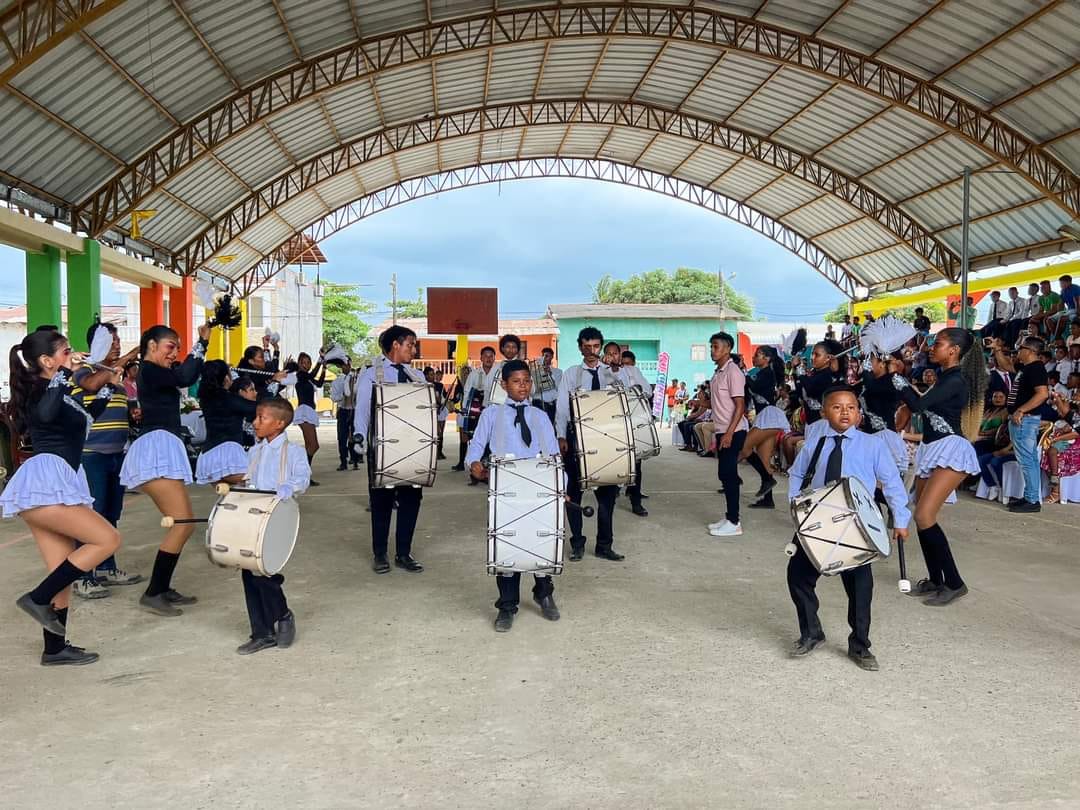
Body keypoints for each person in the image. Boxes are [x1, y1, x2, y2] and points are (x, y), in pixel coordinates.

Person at [2, 328, 123, 666]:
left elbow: (83, 420)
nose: (74, 354)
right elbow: (43, 415)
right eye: (66, 351)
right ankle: (37, 598)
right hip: (46, 479)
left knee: (62, 570)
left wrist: (110, 386)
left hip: (55, 481)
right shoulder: (41, 390)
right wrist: (64, 373)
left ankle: (54, 649)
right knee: (107, 539)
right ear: (46, 360)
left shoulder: (59, 391)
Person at [786, 386, 910, 671]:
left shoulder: (873, 445)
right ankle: (811, 632)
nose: (845, 412)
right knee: (798, 576)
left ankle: (860, 645)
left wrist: (901, 520)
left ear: (859, 414)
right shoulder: (815, 443)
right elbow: (796, 474)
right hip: (818, 521)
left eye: (851, 407)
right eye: (837, 407)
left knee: (860, 588)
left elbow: (892, 483)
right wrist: (795, 505)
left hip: (857, 525)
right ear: (824, 412)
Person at [120, 322, 211, 616]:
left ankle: (161, 588)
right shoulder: (149, 369)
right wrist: (202, 343)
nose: (174, 353)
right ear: (152, 346)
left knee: (182, 524)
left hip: (162, 445)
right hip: (156, 449)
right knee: (182, 524)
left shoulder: (156, 372)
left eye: (178, 348)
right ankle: (154, 592)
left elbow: (184, 374)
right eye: (170, 347)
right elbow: (186, 375)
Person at [467, 360, 562, 632]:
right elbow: (476, 446)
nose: (523, 386)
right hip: (505, 491)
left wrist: (561, 487)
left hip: (540, 488)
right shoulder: (491, 415)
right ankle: (507, 606)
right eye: (517, 381)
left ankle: (543, 592)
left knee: (542, 541)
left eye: (527, 381)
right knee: (507, 547)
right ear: (504, 384)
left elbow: (554, 454)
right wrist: (474, 464)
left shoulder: (540, 416)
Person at [892, 328, 984, 606]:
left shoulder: (956, 379)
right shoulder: (945, 377)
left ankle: (954, 583)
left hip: (951, 449)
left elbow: (919, 405)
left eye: (939, 343)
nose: (932, 347)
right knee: (923, 518)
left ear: (954, 350)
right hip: (932, 449)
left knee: (924, 515)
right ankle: (935, 579)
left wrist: (899, 379)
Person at [72, 323, 143, 600]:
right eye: (112, 341)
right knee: (92, 515)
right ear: (96, 344)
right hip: (91, 456)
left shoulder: (117, 378)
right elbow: (91, 386)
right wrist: (129, 357)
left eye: (118, 340)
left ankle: (106, 567)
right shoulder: (85, 370)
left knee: (111, 513)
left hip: (116, 454)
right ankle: (83, 576)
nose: (117, 344)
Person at [235, 397, 310, 654]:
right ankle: (262, 633)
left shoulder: (294, 452)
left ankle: (283, 614)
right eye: (256, 417)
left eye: (261, 418)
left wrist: (289, 486)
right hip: (252, 517)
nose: (255, 422)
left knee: (265, 572)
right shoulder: (254, 451)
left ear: (279, 424)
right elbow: (248, 480)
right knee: (249, 573)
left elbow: (303, 478)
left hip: (276, 519)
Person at [355, 325, 428, 574]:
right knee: (382, 502)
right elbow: (362, 409)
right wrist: (360, 436)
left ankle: (404, 553)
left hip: (413, 448)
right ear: (395, 345)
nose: (414, 350)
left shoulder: (417, 376)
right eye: (410, 345)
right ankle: (380, 554)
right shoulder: (371, 374)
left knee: (411, 501)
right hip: (382, 448)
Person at [555, 326, 624, 562]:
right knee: (573, 492)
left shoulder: (612, 372)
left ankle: (604, 545)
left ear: (601, 347)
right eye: (586, 347)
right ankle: (577, 543)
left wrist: (615, 370)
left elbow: (631, 393)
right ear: (580, 348)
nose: (591, 351)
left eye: (595, 346)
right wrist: (561, 436)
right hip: (577, 438)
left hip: (608, 438)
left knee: (607, 495)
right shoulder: (571, 374)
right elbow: (562, 407)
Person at [991, 335, 1049, 513]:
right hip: (1022, 420)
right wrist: (996, 349)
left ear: (1030, 351)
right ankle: (1030, 496)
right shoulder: (1026, 368)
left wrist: (1021, 410)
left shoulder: (1036, 368)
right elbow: (1006, 366)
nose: (1018, 351)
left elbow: (1042, 394)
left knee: (1027, 461)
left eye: (1021, 348)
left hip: (1025, 420)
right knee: (1027, 460)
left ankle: (1032, 500)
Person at [706, 332, 748, 537]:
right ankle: (729, 516)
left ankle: (734, 521)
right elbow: (718, 403)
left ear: (728, 348)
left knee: (728, 474)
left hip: (734, 430)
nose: (712, 351)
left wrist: (729, 433)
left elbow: (740, 405)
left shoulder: (733, 372)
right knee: (724, 474)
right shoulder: (718, 373)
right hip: (721, 429)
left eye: (716, 347)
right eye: (711, 347)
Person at [739, 346, 789, 510]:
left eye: (757, 355)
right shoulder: (761, 373)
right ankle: (768, 499)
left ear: (767, 359)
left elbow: (754, 386)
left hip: (769, 416)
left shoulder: (768, 374)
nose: (754, 357)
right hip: (765, 417)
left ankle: (766, 479)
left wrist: (743, 372)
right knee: (763, 459)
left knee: (744, 447)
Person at [604, 342, 650, 516]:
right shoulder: (600, 373)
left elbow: (647, 390)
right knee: (614, 461)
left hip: (631, 423)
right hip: (611, 424)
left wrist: (636, 390)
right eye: (608, 354)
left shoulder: (632, 371)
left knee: (636, 464)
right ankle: (612, 493)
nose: (612, 357)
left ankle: (636, 501)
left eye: (615, 353)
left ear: (620, 355)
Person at [195, 360, 257, 486]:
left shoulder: (207, 399)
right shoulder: (229, 399)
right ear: (226, 378)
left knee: (229, 496)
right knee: (255, 483)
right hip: (228, 454)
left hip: (208, 455)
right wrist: (274, 383)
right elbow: (257, 408)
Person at [455, 346, 497, 473]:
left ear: (494, 358)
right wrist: (466, 410)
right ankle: (476, 470)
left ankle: (490, 469)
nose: (488, 359)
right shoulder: (474, 374)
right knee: (478, 440)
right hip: (477, 413)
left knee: (493, 441)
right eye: (486, 356)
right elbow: (467, 391)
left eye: (491, 356)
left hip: (494, 413)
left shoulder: (498, 373)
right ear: (481, 358)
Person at [290, 351, 326, 484]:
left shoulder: (307, 377)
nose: (306, 365)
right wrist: (320, 360)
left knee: (310, 446)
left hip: (309, 411)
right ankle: (302, 473)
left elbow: (319, 383)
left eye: (308, 362)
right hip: (304, 411)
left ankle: (303, 475)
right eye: (303, 362)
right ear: (299, 364)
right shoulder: (300, 375)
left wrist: (324, 368)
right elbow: (311, 375)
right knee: (314, 446)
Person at [1042, 390, 1080, 504]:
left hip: (1075, 441)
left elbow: (1077, 433)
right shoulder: (1075, 413)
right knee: (1045, 452)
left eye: (1078, 394)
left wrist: (1055, 439)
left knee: (1052, 451)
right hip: (1067, 439)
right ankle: (1055, 486)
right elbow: (1065, 413)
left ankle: (1055, 488)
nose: (1074, 396)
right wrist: (1058, 399)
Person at [329, 357, 362, 470]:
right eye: (343, 365)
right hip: (343, 410)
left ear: (350, 364)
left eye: (347, 364)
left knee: (355, 436)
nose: (346, 367)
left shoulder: (357, 379)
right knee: (342, 437)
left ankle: (355, 460)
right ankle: (343, 461)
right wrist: (343, 395)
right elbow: (334, 397)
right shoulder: (338, 381)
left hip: (354, 410)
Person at [531, 346, 562, 423]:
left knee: (551, 425)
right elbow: (532, 390)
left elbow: (559, 387)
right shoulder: (535, 372)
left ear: (552, 357)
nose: (544, 358)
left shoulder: (558, 372)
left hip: (552, 404)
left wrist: (550, 374)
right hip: (538, 403)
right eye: (543, 356)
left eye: (547, 356)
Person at [431, 368, 449, 460]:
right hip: (436, 409)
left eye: (441, 376)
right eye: (438, 375)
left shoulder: (441, 385)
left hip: (442, 409)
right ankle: (436, 452)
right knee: (438, 432)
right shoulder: (432, 385)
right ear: (435, 375)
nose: (440, 377)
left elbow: (445, 396)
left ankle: (440, 452)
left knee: (441, 432)